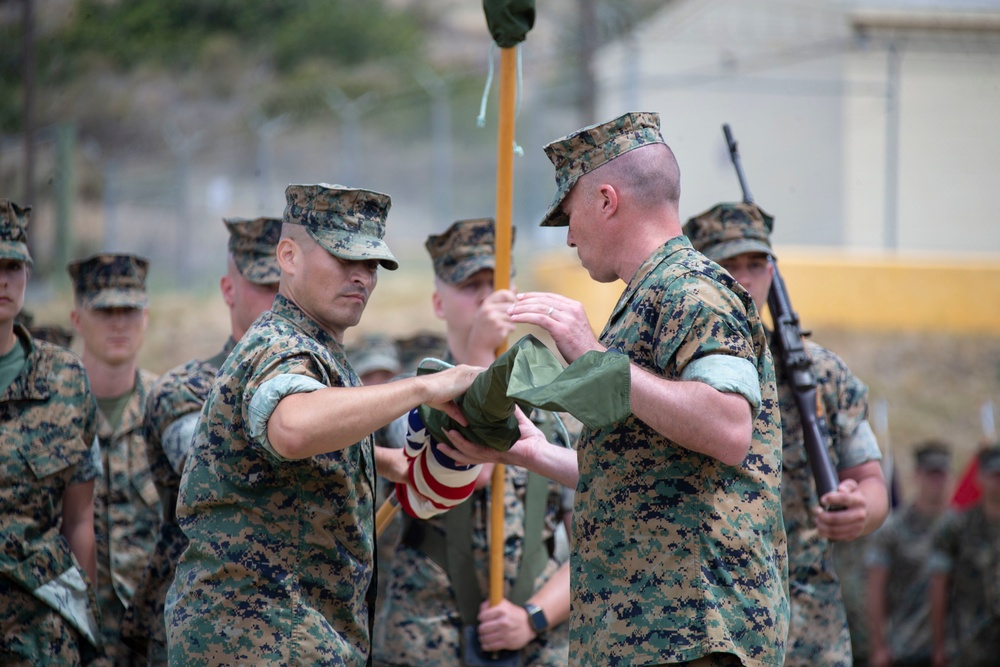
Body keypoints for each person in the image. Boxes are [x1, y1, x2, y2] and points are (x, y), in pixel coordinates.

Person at [441, 112, 788, 667]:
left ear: (606, 200)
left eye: (571, 215)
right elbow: (643, 472)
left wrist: (600, 360)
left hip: (692, 634)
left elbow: (727, 427)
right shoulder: (645, 299)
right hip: (646, 631)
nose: (571, 236)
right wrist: (529, 453)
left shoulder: (693, 291)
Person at [165, 183, 481, 666]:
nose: (361, 277)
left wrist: (384, 463)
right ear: (288, 256)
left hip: (291, 632)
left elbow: (276, 449)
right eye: (343, 258)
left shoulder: (316, 349)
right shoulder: (280, 344)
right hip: (258, 636)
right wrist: (420, 390)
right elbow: (292, 428)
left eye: (371, 264)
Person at [682, 201, 889, 667]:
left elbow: (871, 482)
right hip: (711, 623)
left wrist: (861, 509)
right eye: (728, 265)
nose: (745, 278)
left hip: (809, 624)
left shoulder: (818, 374)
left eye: (756, 264)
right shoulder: (674, 374)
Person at [373, 217, 574, 667]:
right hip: (428, 630)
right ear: (438, 303)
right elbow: (471, 468)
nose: (486, 297)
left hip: (538, 637)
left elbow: (597, 539)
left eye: (496, 282)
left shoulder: (555, 400)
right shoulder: (407, 393)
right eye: (470, 285)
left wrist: (533, 616)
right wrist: (480, 357)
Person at [118, 216, 282, 665]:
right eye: (264, 285)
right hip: (197, 630)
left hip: (291, 632)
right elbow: (212, 466)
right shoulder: (186, 388)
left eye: (286, 284)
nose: (278, 299)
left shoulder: (329, 394)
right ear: (229, 290)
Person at [0, 199, 102, 663]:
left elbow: (79, 520)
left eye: (13, 265)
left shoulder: (64, 378)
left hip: (40, 630)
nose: (3, 279)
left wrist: (83, 624)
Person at [68, 252, 160, 666]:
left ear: (146, 317)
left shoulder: (169, 407)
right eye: (105, 310)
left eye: (130, 309)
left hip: (156, 640)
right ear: (76, 319)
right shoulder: (53, 412)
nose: (119, 322)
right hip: (71, 639)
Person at [866, 441, 952, 667]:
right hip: (906, 647)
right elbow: (876, 588)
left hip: (954, 649)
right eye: (930, 474)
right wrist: (878, 645)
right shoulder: (894, 530)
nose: (936, 481)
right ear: (917, 475)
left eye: (941, 474)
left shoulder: (960, 528)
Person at [928, 444, 1000, 667]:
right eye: (994, 475)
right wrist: (939, 644)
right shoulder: (957, 527)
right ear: (980, 477)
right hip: (969, 645)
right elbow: (939, 585)